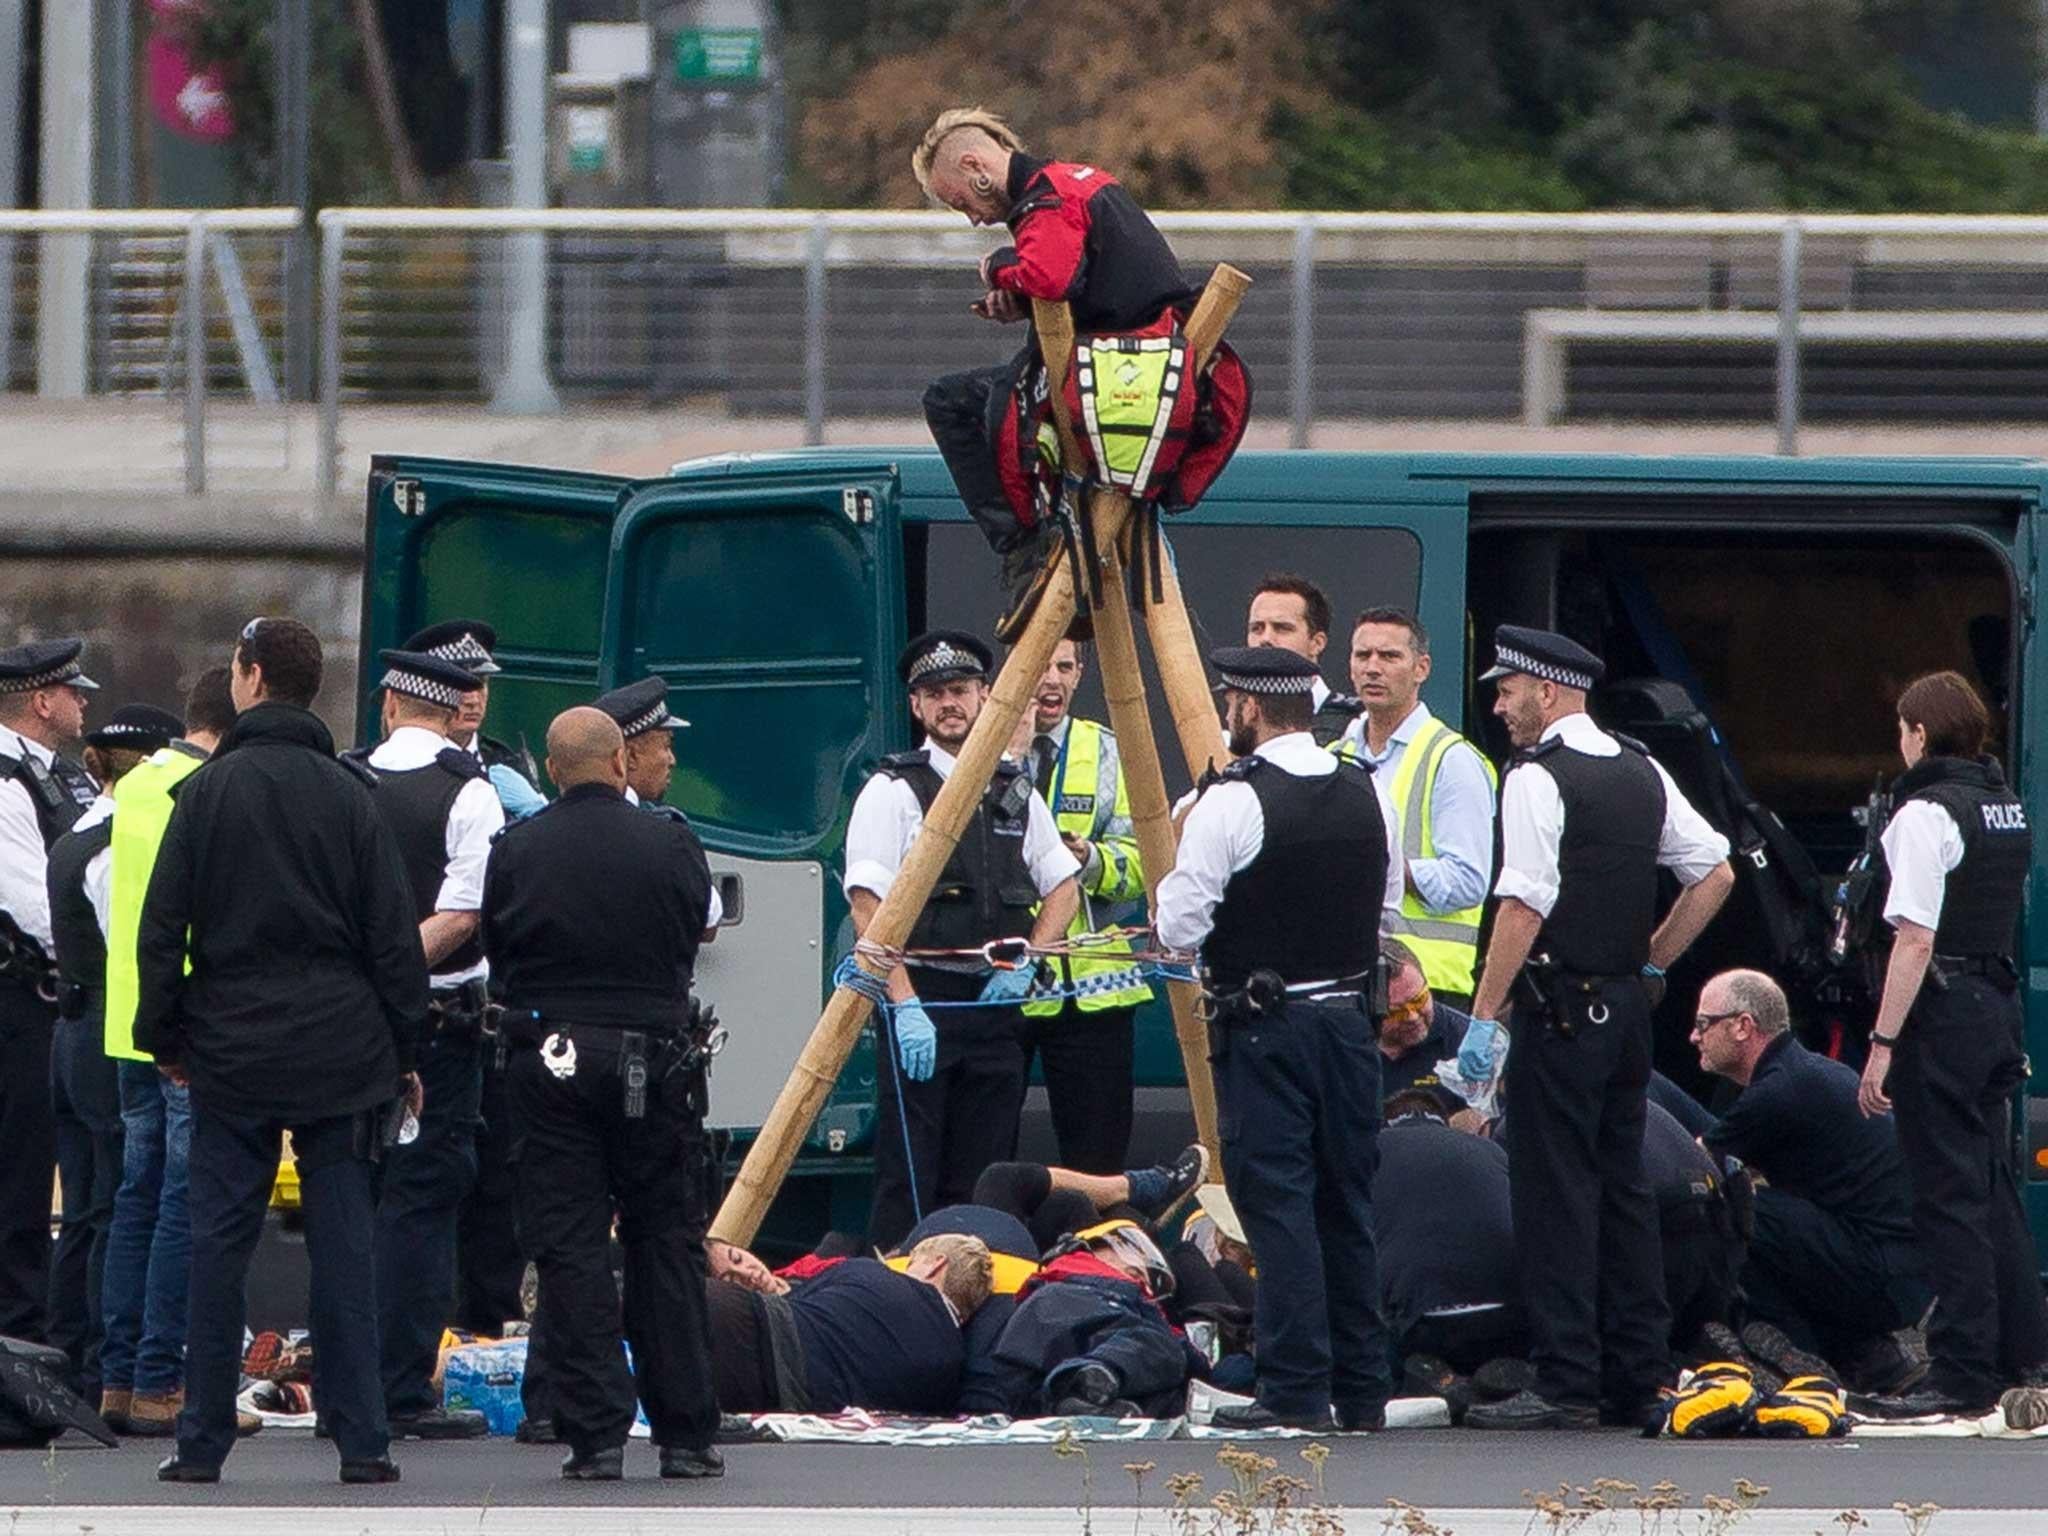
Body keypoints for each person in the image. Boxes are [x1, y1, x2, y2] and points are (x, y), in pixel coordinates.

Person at [136, 617, 427, 1485]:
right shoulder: (351, 797)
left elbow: (161, 932)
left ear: (252, 678)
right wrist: (402, 1044)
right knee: (345, 1244)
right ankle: (363, 1441)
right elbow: (391, 938)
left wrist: (169, 1037)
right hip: (343, 1050)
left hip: (231, 1047)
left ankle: (200, 1443)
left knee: (218, 1244)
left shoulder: (207, 795)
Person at [1459, 625, 1734, 1432]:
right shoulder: (1641, 770)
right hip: (1622, 1018)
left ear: (1548, 692)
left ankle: (1567, 1378)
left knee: (1554, 1194)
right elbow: (1713, 871)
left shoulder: (1538, 777)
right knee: (1623, 1193)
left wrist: (1483, 1012)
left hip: (1559, 1013)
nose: (1501, 705)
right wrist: (1649, 961)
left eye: (1508, 690)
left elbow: (1523, 903)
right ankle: (1637, 1373)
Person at [1155, 645, 1404, 1431]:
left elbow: (1178, 926)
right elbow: (1387, 910)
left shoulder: (1230, 803)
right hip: (1350, 1026)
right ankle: (1364, 1389)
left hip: (1270, 1031)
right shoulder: (1368, 790)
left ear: (1249, 708)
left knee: (1280, 1208)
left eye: (1232, 703)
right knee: (1347, 1205)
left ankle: (1295, 1389)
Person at [480, 706, 722, 1482]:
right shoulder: (672, 840)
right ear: (622, 759)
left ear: (552, 770)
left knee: (572, 1246)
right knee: (666, 1242)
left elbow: (499, 946)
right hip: (658, 1061)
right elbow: (696, 929)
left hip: (550, 1062)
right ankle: (685, 1434)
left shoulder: (518, 849)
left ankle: (595, 1435)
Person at [911, 108, 1211, 634]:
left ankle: (1024, 543)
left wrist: (997, 267)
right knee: (969, 396)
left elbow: (1048, 276)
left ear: (975, 165)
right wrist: (1019, 304)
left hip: (1121, 375)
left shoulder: (1049, 197)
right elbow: (1093, 289)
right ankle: (1036, 541)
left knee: (953, 402)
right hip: (1133, 359)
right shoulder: (1075, 183)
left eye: (962, 201)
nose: (974, 218)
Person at [844, 631, 1080, 1250]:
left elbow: (1064, 887)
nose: (949, 703)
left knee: (986, 1179)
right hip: (924, 1003)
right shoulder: (894, 789)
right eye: (934, 694)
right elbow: (869, 906)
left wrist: (1028, 957)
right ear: (917, 708)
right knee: (911, 1177)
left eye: (960, 690)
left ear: (983, 698)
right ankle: (898, 1296)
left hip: (995, 1009)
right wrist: (904, 1003)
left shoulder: (1012, 791)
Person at [1855, 672, 2048, 1416]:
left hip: (1941, 1011)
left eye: (1903, 727)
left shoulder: (1923, 813)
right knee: (1991, 1186)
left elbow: (1914, 936)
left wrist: (1882, 1042)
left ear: (1920, 733)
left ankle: (1963, 1370)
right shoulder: (2003, 807)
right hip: (1993, 1007)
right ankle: (2021, 1350)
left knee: (1947, 1198)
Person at [352, 650, 508, 1440]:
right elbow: (462, 916)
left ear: (387, 705)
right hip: (438, 1022)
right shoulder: (468, 790)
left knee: (350, 1198)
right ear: (450, 712)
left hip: (343, 1022)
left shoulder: (346, 779)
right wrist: (392, 974)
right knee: (422, 1199)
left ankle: (348, 1388)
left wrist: (354, 980)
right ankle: (402, 1391)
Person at [97, 668, 234, 1437]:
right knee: (186, 1202)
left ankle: (118, 1378)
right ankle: (161, 1381)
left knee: (135, 1199)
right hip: (187, 1026)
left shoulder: (139, 783)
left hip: (128, 1025)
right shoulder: (206, 789)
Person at [1692, 968, 1929, 1392]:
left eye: (1703, 1024)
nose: (1694, 1037)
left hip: (1882, 1274)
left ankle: (1801, 1351)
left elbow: (1693, 1164)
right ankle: (1866, 1354)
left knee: (1729, 1207)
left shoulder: (1777, 1093)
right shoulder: (1805, 1072)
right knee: (1767, 1212)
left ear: (1743, 1026)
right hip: (1903, 1271)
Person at [44, 703, 181, 1406]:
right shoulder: (115, 846)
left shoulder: (77, 834)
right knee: (112, 1203)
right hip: (105, 1033)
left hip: (71, 1028)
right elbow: (125, 942)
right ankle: (95, 1364)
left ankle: (67, 1355)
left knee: (90, 1207)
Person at [1007, 639, 1150, 1172]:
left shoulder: (1108, 749)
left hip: (1094, 994)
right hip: (1006, 987)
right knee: (990, 1149)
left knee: (1098, 1161)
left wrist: (1088, 859)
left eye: (1064, 666)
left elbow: (1143, 864)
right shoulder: (982, 746)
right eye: (1041, 665)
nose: (1051, 680)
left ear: (1080, 673)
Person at [0, 638, 99, 1345]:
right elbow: (38, 909)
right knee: (19, 1179)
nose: (83, 702)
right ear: (41, 701)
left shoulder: (54, 777)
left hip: (48, 1001)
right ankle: (16, 1338)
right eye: (73, 692)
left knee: (35, 1175)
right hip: (18, 1000)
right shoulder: (6, 782)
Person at [1336, 608, 1498, 1011]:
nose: (1373, 668)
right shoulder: (1333, 756)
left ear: (1421, 668)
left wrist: (1387, 868)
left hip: (1427, 989)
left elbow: (1468, 881)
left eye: (1389, 657)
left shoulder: (1451, 759)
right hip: (1346, 979)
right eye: (1363, 656)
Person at [707, 1234, 995, 1416]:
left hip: (753, 1332)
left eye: (912, 1262)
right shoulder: (950, 1364)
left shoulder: (867, 1273)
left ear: (935, 1265)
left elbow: (788, 1303)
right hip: (784, 1401)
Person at [405, 619, 545, 818]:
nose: (472, 700)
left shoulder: (504, 761)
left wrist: (540, 812)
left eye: (480, 684)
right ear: (429, 690)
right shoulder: (400, 760)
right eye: (460, 687)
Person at [1244, 575, 1362, 747]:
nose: (1266, 639)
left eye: (1282, 628)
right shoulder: (1235, 723)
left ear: (1317, 643)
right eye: (1257, 628)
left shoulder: (1357, 726)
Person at [1377, 937, 1474, 1109]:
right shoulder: (1343, 1042)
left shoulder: (1467, 1042)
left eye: (1419, 1000)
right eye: (1396, 1012)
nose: (1412, 1017)